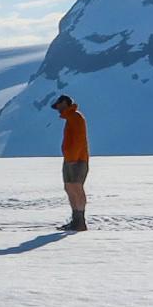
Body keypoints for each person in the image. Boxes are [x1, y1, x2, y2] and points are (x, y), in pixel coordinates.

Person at [53, 95, 90, 232]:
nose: (57, 109)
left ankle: (80, 221)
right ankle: (76, 219)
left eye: (58, 105)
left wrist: (73, 159)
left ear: (64, 103)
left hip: (77, 160)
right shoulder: (70, 118)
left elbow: (79, 140)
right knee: (69, 188)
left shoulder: (76, 117)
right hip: (70, 159)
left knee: (76, 187)